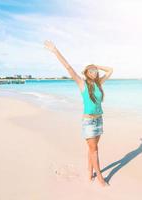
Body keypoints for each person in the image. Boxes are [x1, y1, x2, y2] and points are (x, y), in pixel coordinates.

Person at [44, 40, 113, 187]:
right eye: (91, 70)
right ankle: (100, 177)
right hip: (88, 122)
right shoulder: (82, 83)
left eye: (95, 70)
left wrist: (96, 65)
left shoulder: (99, 84)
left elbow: (110, 70)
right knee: (94, 150)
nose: (94, 72)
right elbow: (68, 67)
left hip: (99, 120)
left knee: (92, 149)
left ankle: (89, 172)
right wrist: (55, 50)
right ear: (86, 73)